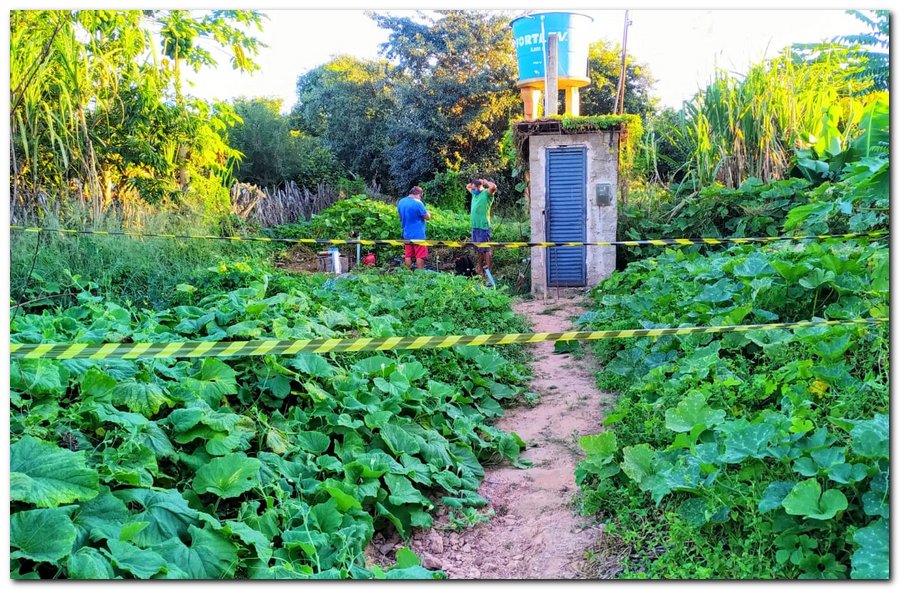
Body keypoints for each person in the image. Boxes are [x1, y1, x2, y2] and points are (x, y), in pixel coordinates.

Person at [466, 178, 496, 277]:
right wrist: (473, 184)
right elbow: (467, 186)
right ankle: (480, 269)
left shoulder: (487, 194)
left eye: (474, 188)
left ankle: (488, 272)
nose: (472, 190)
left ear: (480, 187)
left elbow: (493, 187)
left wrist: (485, 182)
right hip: (475, 226)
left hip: (483, 226)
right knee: (479, 249)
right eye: (472, 189)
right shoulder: (474, 193)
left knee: (486, 249)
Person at [396, 185, 431, 270]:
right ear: (419, 194)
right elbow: (427, 217)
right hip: (418, 234)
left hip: (406, 233)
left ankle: (407, 272)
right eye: (420, 196)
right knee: (420, 255)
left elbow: (400, 216)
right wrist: (429, 213)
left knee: (408, 254)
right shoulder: (418, 203)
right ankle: (420, 273)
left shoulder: (401, 201)